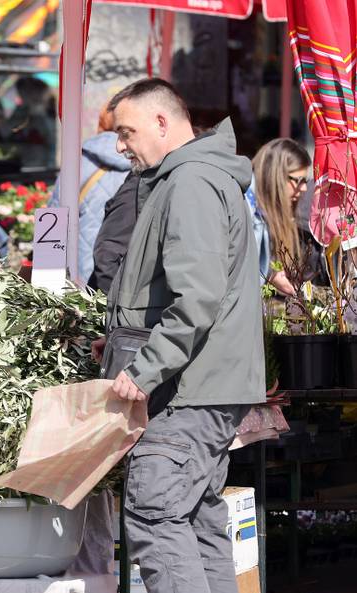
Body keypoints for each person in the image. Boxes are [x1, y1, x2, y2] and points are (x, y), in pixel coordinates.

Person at [94, 79, 264, 593]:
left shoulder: (190, 182)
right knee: (197, 522)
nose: (119, 145)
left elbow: (197, 298)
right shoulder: (192, 177)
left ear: (162, 122)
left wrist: (144, 368)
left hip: (187, 390)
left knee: (155, 515)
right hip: (200, 385)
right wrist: (123, 339)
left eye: (126, 132)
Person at [48, 106, 131, 282]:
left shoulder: (78, 159)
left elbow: (54, 217)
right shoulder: (142, 164)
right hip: (118, 275)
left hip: (76, 272)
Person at [249, 139, 320, 294]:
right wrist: (270, 274)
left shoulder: (282, 212)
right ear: (275, 176)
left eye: (306, 181)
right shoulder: (247, 208)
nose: (304, 188)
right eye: (299, 180)